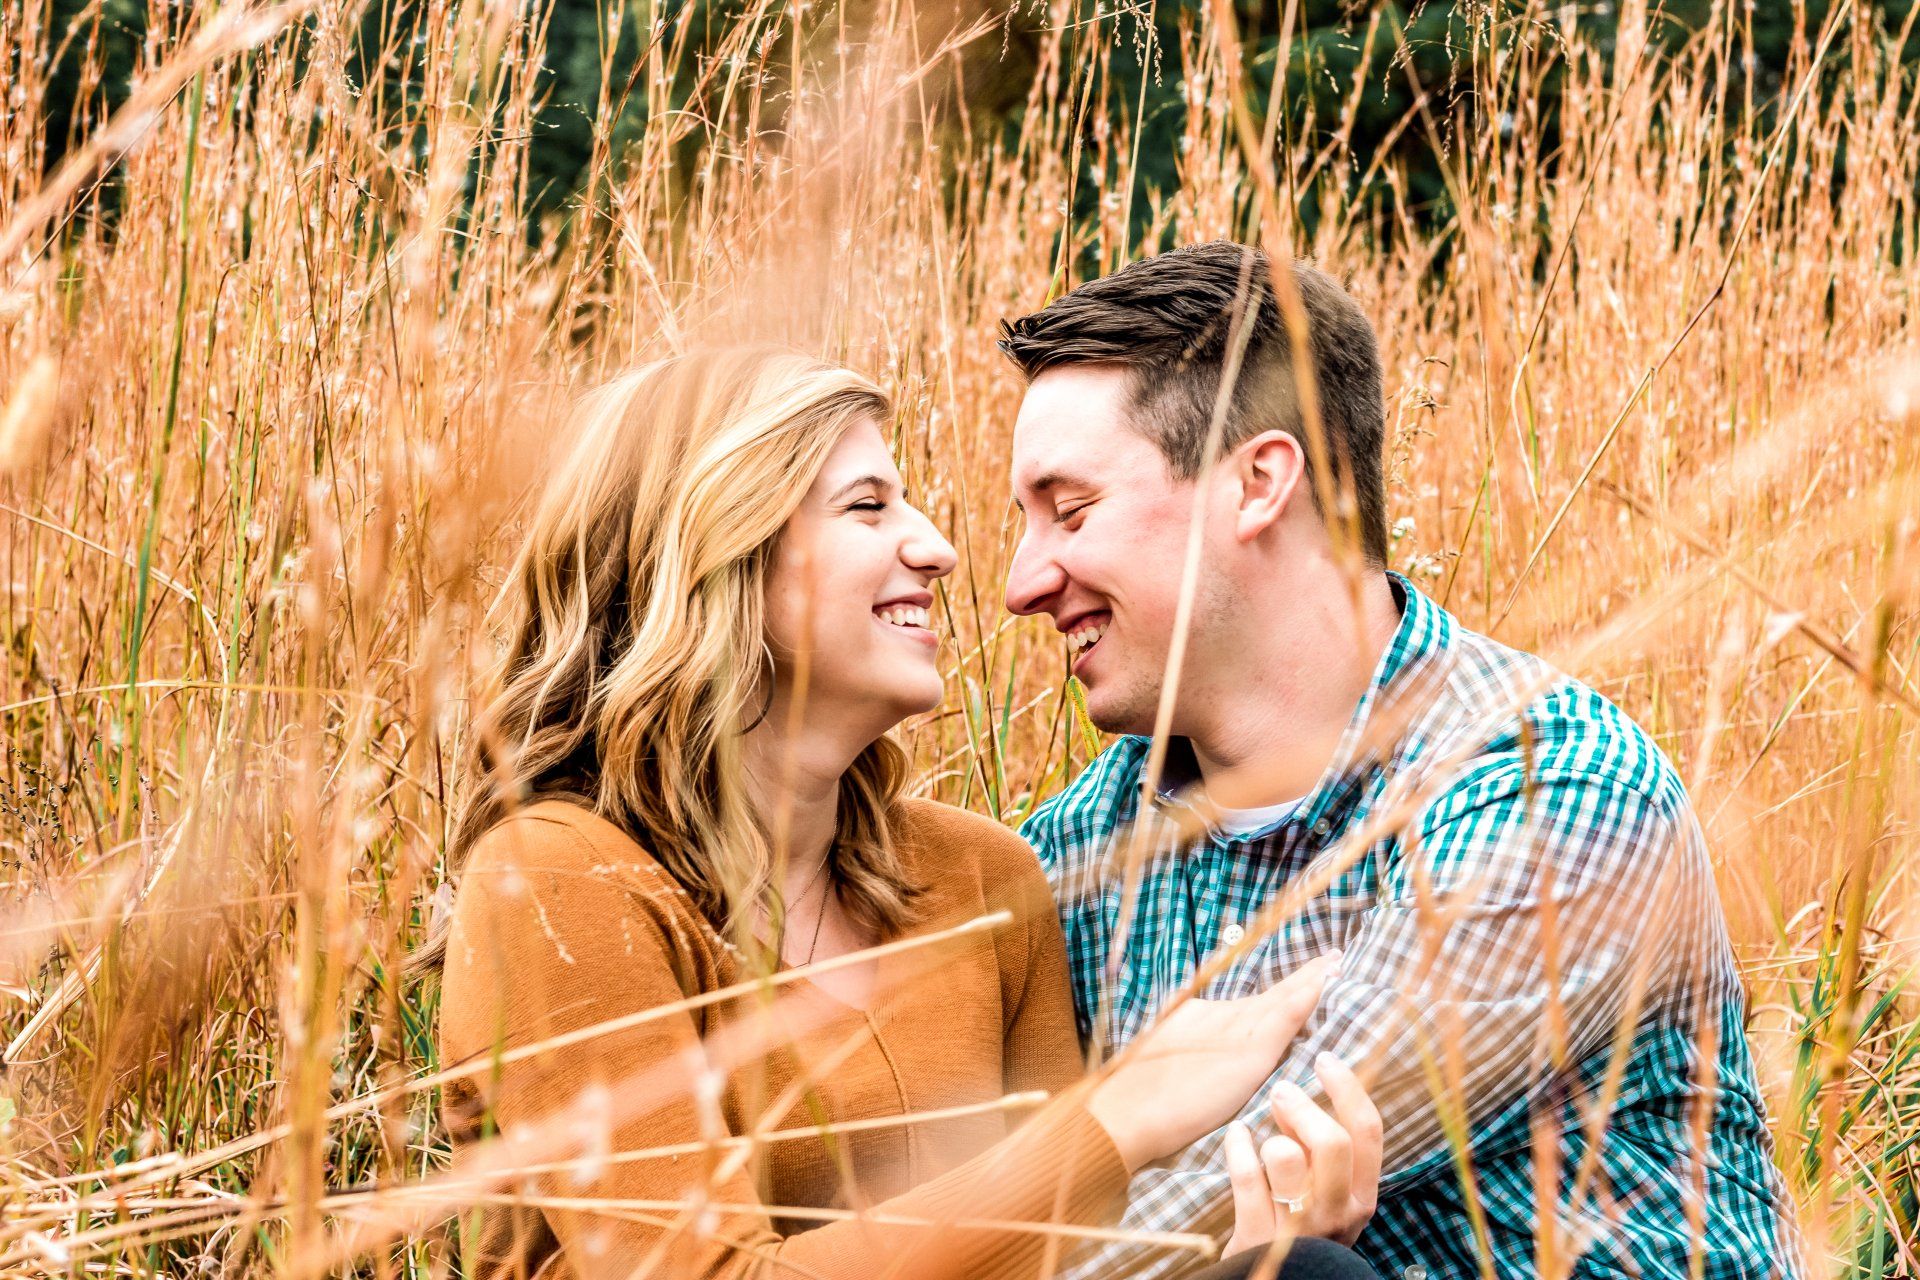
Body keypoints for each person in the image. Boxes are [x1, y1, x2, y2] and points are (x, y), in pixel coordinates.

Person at [424, 348, 1385, 1280]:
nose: (937, 548)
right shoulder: (556, 881)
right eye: (868, 507)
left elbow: (1064, 1257)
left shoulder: (982, 878)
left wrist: (1247, 1244)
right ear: (718, 555)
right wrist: (1117, 1118)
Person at [997, 242, 1797, 1280]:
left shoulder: (1558, 797)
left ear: (1258, 484)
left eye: (1071, 510)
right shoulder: (1075, 850)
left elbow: (1157, 1213)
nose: (1021, 581)